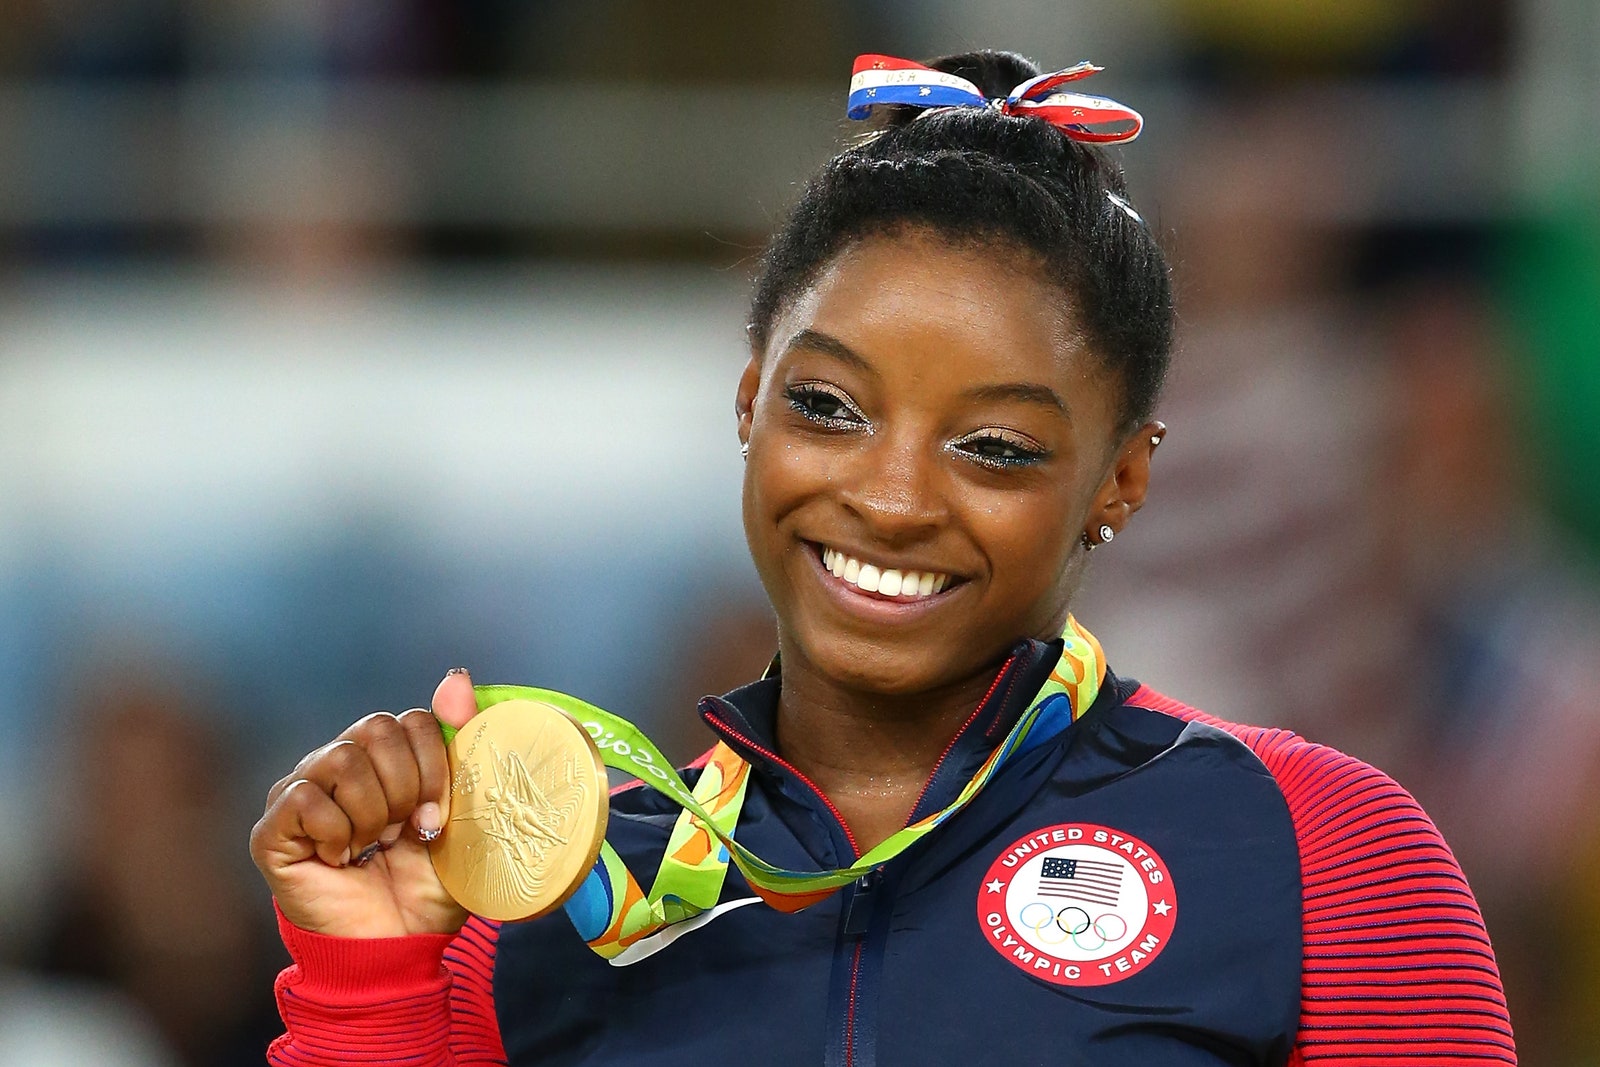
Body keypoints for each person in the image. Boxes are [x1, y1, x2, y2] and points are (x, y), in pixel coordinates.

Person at [250, 50, 1517, 1065]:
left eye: (994, 446)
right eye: (829, 408)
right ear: (749, 399)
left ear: (1121, 477)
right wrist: (372, 972)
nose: (893, 497)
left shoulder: (1319, 854)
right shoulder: (543, 910)